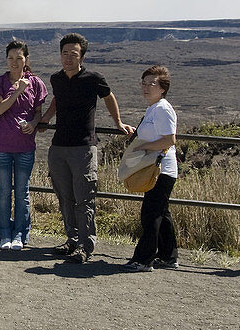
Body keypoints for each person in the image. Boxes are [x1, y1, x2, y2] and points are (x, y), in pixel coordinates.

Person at [37, 33, 135, 263]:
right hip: (59, 146)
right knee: (65, 197)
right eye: (65, 53)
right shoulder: (56, 79)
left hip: (83, 147)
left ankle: (85, 244)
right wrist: (46, 120)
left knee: (84, 197)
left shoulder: (93, 79)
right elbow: (56, 101)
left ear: (81, 56)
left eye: (74, 54)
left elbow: (109, 97)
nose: (68, 58)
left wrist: (118, 123)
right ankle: (71, 239)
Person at [0, 41, 47, 250]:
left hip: (25, 146)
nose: (14, 62)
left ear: (26, 60)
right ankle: (4, 233)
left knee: (22, 192)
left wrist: (33, 123)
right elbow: (0, 108)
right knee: (4, 191)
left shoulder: (36, 83)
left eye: (19, 58)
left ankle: (20, 234)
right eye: (11, 57)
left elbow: (38, 112)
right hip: (1, 146)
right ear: (6, 59)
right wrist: (18, 90)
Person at [123, 66, 179, 272]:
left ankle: (144, 259)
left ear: (163, 88)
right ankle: (168, 256)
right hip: (158, 168)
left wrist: (141, 146)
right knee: (161, 213)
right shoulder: (154, 108)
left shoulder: (163, 108)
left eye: (152, 83)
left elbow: (169, 139)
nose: (146, 87)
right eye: (144, 83)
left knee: (151, 214)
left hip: (160, 168)